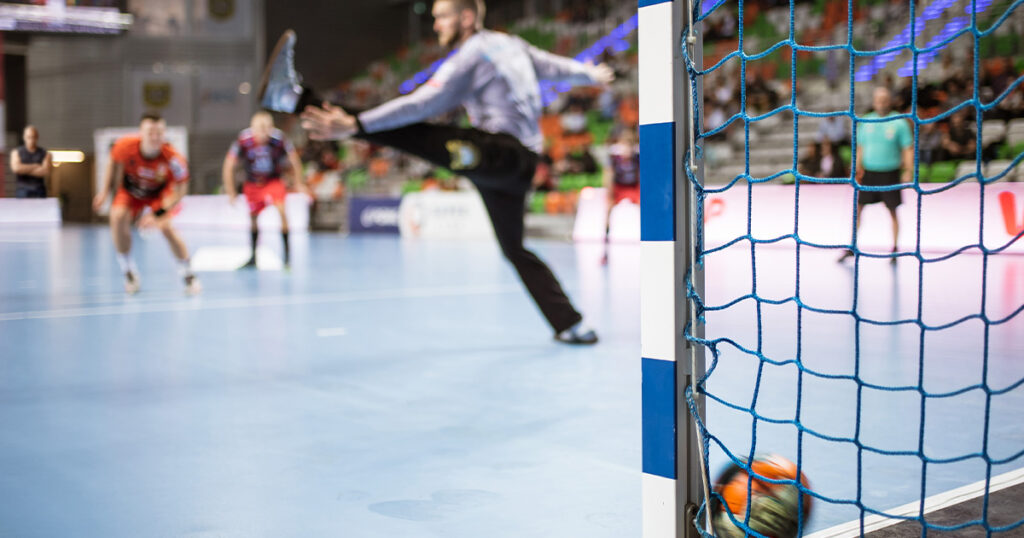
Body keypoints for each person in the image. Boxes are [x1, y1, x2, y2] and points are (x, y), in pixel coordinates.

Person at [262, 0, 613, 344]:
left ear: (467, 16)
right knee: (515, 249)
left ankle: (293, 99)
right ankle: (569, 323)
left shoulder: (472, 54)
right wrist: (590, 74)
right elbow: (553, 66)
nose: (435, 25)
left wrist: (356, 123)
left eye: (441, 16)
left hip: (501, 154)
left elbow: (423, 102)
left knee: (421, 134)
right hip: (513, 169)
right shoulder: (511, 44)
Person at [92, 113, 200, 295]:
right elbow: (112, 161)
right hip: (130, 192)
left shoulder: (174, 159)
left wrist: (157, 214)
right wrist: (104, 191)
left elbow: (181, 189)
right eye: (150, 132)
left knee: (167, 228)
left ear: (164, 134)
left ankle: (188, 274)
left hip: (159, 195)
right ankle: (128, 271)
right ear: (141, 133)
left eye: (159, 132)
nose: (155, 137)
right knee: (117, 218)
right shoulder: (125, 146)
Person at [222, 111, 308, 269]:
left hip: (273, 181)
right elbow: (229, 165)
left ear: (271, 128)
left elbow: (294, 160)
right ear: (253, 128)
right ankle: (253, 257)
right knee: (253, 218)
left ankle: (287, 257)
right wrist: (231, 191)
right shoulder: (243, 139)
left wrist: (298, 183)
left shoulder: (279, 139)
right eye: (259, 129)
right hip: (253, 183)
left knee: (282, 210)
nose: (263, 133)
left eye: (266, 128)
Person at [839, 87, 913, 264]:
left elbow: (907, 148)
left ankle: (894, 248)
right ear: (874, 102)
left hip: (890, 173)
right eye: (879, 99)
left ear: (890, 100)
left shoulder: (898, 122)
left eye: (885, 99)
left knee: (893, 211)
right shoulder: (866, 121)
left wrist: (908, 170)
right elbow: (861, 147)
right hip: (870, 173)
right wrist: (856, 168)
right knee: (859, 209)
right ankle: (852, 246)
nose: (882, 103)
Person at [601, 128, 639, 265]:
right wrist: (609, 192)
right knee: (607, 213)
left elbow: (641, 175)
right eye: (624, 143)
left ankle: (648, 244)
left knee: (645, 211)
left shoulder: (637, 156)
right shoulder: (613, 157)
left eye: (629, 144)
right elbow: (608, 174)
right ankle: (604, 252)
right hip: (618, 187)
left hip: (633, 187)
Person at [10, 126, 52, 199]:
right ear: (24, 137)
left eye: (33, 137)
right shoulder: (16, 152)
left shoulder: (45, 153)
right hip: (22, 190)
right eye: (29, 137)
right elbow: (16, 169)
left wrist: (24, 169)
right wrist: (36, 166)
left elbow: (45, 171)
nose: (31, 140)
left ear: (37, 137)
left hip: (39, 190)